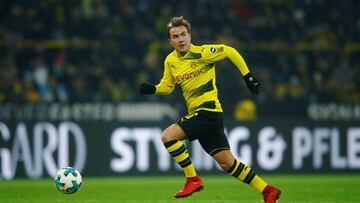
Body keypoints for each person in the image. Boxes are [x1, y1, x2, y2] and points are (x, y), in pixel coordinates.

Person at [139, 16, 281, 203]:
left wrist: (248, 77)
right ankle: (267, 190)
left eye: (183, 34)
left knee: (167, 136)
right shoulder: (170, 61)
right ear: (170, 41)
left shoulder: (203, 53)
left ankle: (192, 179)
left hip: (208, 111)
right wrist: (154, 89)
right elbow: (168, 86)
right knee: (227, 163)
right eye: (176, 36)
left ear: (190, 36)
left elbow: (230, 51)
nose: (181, 39)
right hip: (203, 116)